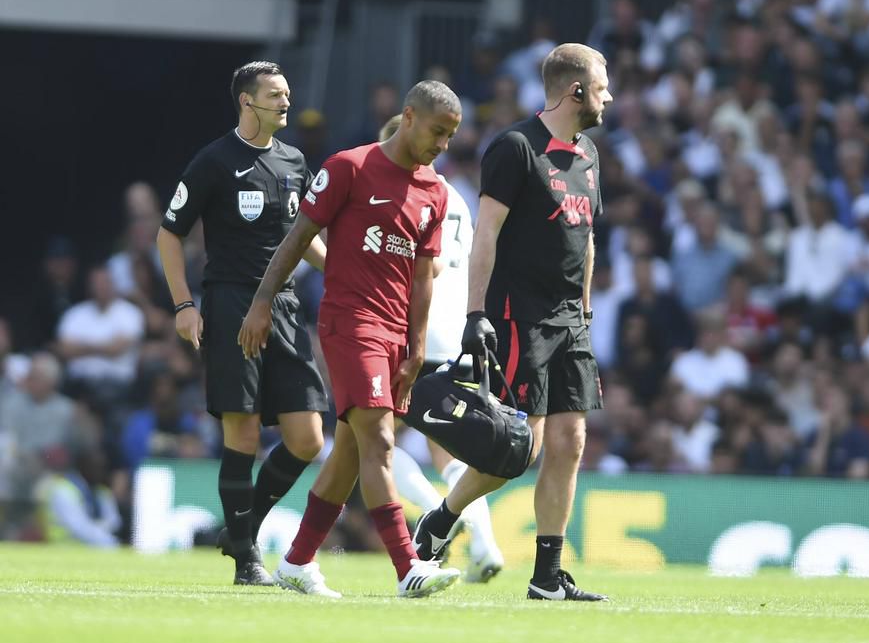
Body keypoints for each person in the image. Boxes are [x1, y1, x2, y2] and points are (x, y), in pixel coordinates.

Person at [237, 80, 464, 599]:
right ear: (409, 117)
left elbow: (423, 277)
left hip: (395, 333)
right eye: (437, 131)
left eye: (450, 136)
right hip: (350, 323)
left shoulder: (435, 191)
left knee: (348, 452)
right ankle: (408, 567)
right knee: (379, 440)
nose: (442, 144)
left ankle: (297, 561)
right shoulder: (349, 167)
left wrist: (417, 347)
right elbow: (298, 236)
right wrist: (262, 300)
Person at [413, 43, 613, 601]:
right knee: (520, 449)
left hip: (570, 319)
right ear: (575, 90)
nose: (609, 98)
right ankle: (443, 516)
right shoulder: (516, 148)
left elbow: (585, 237)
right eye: (602, 88)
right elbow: (487, 235)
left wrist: (586, 309)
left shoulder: (590, 154)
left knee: (571, 441)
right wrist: (476, 314)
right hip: (518, 315)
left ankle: (547, 577)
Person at [156, 61, 329, 586]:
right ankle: (247, 562)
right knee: (244, 430)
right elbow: (169, 234)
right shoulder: (214, 160)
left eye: (287, 93)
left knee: (308, 438)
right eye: (275, 94)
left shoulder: (295, 161)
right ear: (246, 101)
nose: (285, 102)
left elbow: (303, 236)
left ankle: (240, 528)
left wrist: (341, 271)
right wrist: (184, 306)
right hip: (232, 303)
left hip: (286, 306)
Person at [376, 114, 505, 584]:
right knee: (450, 450)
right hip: (457, 333)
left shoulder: (400, 193)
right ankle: (484, 545)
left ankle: (440, 517)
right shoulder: (458, 196)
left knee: (369, 438)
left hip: (412, 332)